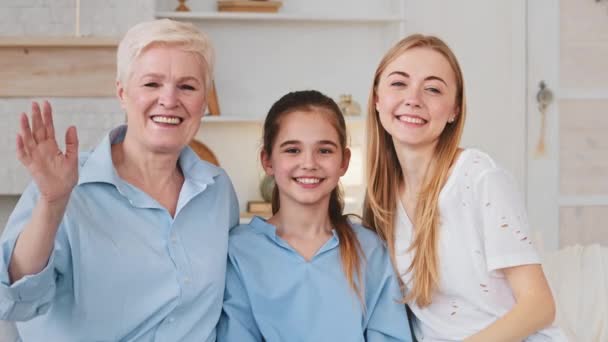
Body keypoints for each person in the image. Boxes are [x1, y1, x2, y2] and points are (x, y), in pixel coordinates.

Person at [0, 19, 239, 341]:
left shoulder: (217, 189)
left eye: (188, 86)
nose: (169, 100)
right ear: (122, 93)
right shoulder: (66, 185)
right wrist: (52, 203)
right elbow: (14, 303)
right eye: (152, 84)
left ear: (203, 102)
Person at [362, 34, 567, 341]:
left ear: (454, 110)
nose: (413, 98)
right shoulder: (382, 198)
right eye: (398, 83)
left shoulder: (480, 179)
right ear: (377, 98)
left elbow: (540, 306)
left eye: (432, 89)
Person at [216, 90, 413, 341]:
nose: (309, 163)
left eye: (325, 150)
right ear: (267, 161)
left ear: (344, 161)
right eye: (292, 150)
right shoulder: (238, 251)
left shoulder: (371, 249)